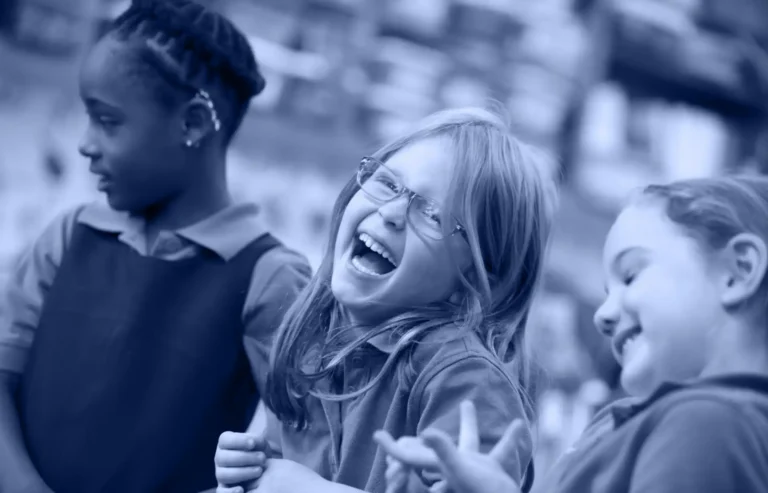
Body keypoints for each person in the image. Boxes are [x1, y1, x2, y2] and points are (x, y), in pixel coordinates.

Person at [0, 1, 311, 492]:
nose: (85, 143)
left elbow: (306, 444)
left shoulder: (269, 278)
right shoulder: (68, 237)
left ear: (191, 124)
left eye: (107, 121)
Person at [213, 107, 559, 493]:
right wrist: (248, 472)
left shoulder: (466, 380)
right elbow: (282, 466)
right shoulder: (313, 334)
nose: (392, 212)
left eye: (432, 214)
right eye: (388, 183)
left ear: (480, 282)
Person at [377, 175, 768, 493]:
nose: (602, 316)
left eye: (630, 275)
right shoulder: (655, 421)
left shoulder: (707, 423)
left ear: (737, 271)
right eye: (606, 292)